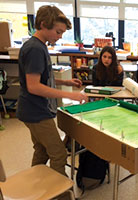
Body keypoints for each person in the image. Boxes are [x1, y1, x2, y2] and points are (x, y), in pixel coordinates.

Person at [17, 5, 88, 177]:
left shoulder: (39, 45)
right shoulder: (35, 49)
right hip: (36, 112)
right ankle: (60, 194)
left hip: (32, 110)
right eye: (58, 32)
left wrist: (65, 81)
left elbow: (41, 78)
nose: (60, 36)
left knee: (41, 150)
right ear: (43, 25)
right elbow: (34, 86)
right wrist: (69, 94)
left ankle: (35, 184)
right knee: (58, 153)